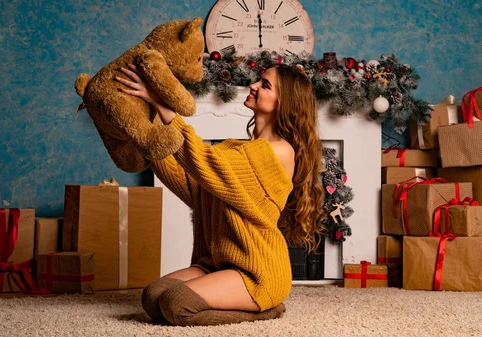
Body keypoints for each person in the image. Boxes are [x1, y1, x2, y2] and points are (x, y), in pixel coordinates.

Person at [114, 63, 325, 326]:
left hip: (256, 272)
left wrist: (164, 106)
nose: (253, 85)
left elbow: (204, 162)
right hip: (217, 264)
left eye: (265, 85)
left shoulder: (280, 152)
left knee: (176, 303)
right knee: (153, 296)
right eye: (259, 80)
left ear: (286, 102)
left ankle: (267, 310)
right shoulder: (237, 149)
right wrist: (150, 127)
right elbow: (193, 187)